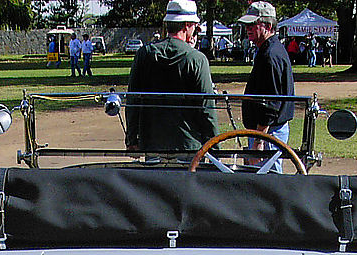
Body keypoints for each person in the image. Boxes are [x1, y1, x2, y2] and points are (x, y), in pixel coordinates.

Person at [125, 0, 219, 155]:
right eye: (194, 26)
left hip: (151, 143)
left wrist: (132, 139)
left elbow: (132, 100)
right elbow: (206, 107)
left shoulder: (144, 55)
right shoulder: (197, 59)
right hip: (188, 145)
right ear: (187, 25)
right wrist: (215, 147)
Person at [238, 1, 294, 172]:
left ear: (269, 26)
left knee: (268, 179)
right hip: (268, 130)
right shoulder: (268, 50)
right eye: (247, 24)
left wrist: (259, 139)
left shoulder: (271, 55)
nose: (248, 28)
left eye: (253, 24)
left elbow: (271, 103)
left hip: (269, 132)